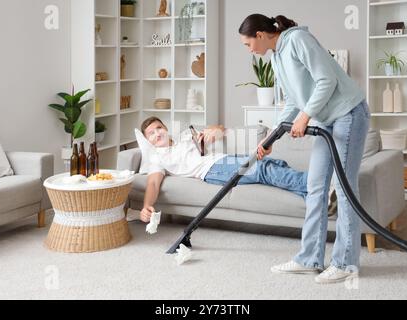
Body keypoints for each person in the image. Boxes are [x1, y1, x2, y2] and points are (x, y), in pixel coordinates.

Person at [239, 14, 370, 284]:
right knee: (315, 187)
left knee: (345, 188)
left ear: (261, 35)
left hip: (348, 113)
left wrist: (305, 116)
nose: (249, 49)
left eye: (248, 43)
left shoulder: (298, 39)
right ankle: (309, 259)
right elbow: (292, 102)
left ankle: (346, 263)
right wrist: (271, 138)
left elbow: (326, 80)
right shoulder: (276, 58)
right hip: (326, 121)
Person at [137, 116, 308, 223]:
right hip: (212, 170)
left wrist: (213, 132)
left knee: (273, 164)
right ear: (148, 141)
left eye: (159, 128)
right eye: (151, 133)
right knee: (262, 168)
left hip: (223, 159)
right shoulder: (158, 157)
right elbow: (152, 183)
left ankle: (313, 197)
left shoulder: (185, 136)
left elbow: (220, 129)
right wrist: (146, 206)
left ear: (165, 129)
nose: (157, 133)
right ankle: (315, 186)